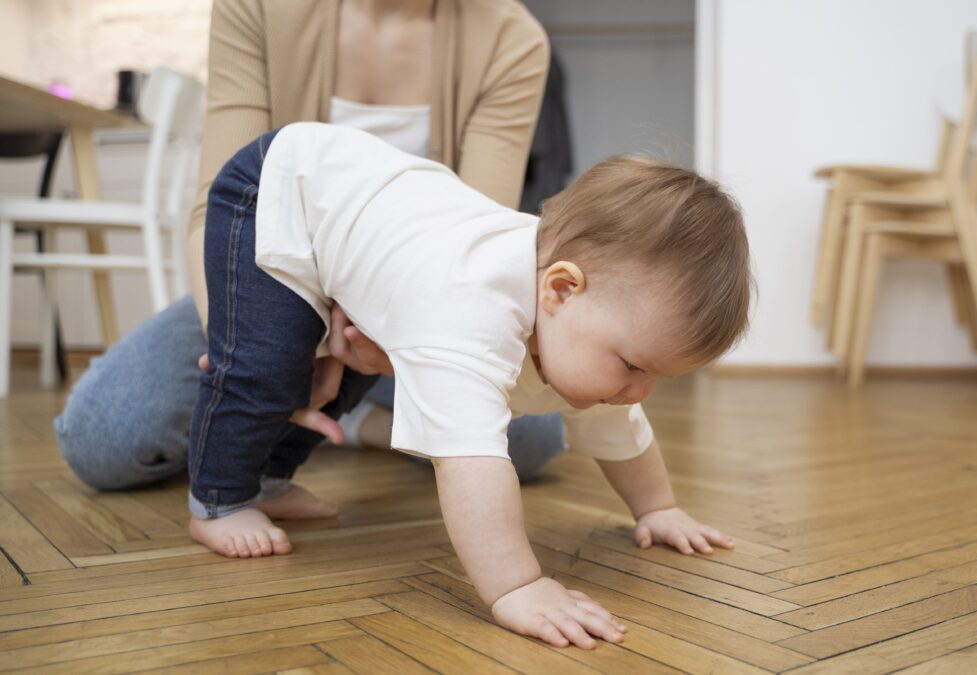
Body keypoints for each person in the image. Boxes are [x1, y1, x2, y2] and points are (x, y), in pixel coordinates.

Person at [186, 122, 752, 648]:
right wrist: (516, 585)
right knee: (267, 367)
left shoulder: (584, 320)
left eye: (658, 376)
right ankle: (218, 500)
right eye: (634, 366)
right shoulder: (470, 314)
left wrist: (657, 508)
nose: (638, 392)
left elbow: (618, 427)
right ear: (559, 290)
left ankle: (271, 479)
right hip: (282, 189)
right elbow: (468, 462)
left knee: (353, 367)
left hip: (374, 223)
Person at [53, 0, 567, 490]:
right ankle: (348, 420)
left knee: (532, 438)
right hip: (260, 282)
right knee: (103, 435)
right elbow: (218, 206)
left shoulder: (510, 39)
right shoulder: (256, 7)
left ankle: (351, 415)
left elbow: (467, 251)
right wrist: (247, 353)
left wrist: (345, 352)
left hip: (407, 321)